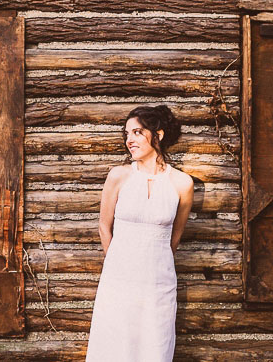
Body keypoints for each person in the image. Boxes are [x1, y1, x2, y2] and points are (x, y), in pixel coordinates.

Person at [86, 105, 194, 361]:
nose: (129, 140)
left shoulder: (182, 183)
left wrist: (156, 266)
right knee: (114, 344)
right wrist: (117, 263)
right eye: (126, 134)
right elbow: (104, 225)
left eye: (137, 132)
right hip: (119, 278)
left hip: (158, 282)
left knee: (154, 346)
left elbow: (175, 237)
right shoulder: (118, 176)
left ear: (159, 134)